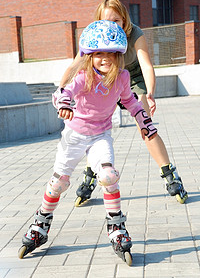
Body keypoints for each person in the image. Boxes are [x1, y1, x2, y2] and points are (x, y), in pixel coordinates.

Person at [18, 20, 158, 265]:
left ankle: (116, 226)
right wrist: (64, 105)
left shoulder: (122, 77)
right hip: (74, 136)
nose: (104, 59)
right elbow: (65, 92)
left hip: (100, 135)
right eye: (98, 54)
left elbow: (132, 102)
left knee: (108, 176)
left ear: (119, 55)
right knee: (58, 183)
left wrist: (144, 121)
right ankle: (41, 223)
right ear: (89, 56)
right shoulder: (84, 77)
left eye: (110, 54)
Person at [60, 0, 188, 205]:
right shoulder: (94, 35)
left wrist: (150, 93)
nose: (112, 25)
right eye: (106, 21)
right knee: (93, 128)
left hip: (132, 77)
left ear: (125, 20)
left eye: (116, 21)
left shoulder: (135, 33)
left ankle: (169, 174)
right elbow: (76, 64)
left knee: (145, 125)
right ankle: (90, 176)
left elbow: (146, 65)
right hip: (103, 77)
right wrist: (61, 91)